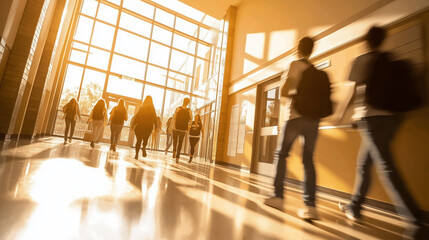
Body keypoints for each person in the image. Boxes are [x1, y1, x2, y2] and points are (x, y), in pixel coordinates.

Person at [338, 26, 425, 234]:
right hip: (393, 119)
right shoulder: (391, 59)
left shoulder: (362, 60)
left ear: (366, 41)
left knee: (386, 166)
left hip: (372, 119)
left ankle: (415, 221)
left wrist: (341, 114)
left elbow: (352, 92)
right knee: (364, 164)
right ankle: (354, 207)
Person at [264, 37, 322, 220]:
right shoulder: (315, 71)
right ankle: (310, 206)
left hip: (295, 118)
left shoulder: (294, 65)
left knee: (281, 155)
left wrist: (296, 92)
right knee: (308, 160)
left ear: (298, 49)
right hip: (313, 121)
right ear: (312, 50)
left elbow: (283, 92)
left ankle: (278, 197)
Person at [171, 98, 192, 163]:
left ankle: (174, 150)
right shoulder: (189, 110)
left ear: (183, 101)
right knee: (180, 143)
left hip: (176, 128)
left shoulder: (178, 108)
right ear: (188, 103)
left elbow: (174, 118)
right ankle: (177, 156)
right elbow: (191, 119)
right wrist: (188, 128)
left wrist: (172, 127)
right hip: (183, 129)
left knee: (175, 141)